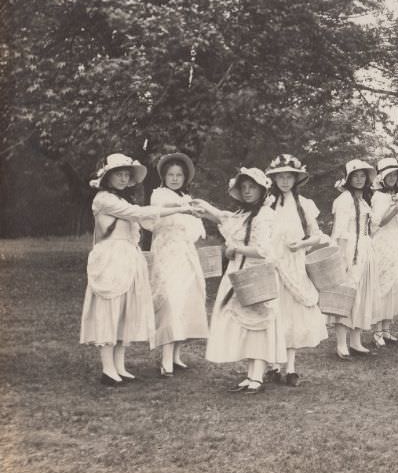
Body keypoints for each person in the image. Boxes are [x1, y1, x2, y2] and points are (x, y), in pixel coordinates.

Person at [80, 153, 193, 386]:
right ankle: (108, 368)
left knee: (125, 310)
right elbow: (138, 214)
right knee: (110, 309)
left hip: (128, 256)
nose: (123, 179)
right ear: (107, 177)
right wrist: (180, 208)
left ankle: (119, 365)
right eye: (118, 174)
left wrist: (181, 205)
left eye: (126, 175)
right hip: (110, 257)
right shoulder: (104, 199)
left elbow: (141, 216)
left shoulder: (121, 199)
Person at [193, 167, 286, 394]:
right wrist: (204, 208)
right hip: (239, 273)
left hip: (257, 275)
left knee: (258, 325)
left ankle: (258, 375)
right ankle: (251, 374)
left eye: (252, 187)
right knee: (244, 324)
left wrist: (236, 249)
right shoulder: (243, 214)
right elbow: (225, 221)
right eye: (243, 187)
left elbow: (264, 250)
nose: (247, 191)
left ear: (262, 190)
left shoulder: (265, 215)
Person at [263, 154, 328, 387]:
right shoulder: (267, 203)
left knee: (292, 316)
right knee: (273, 313)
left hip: (294, 265)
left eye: (289, 177)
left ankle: (290, 368)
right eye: (280, 177)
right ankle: (272, 365)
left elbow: (317, 235)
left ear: (295, 179)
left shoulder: (304, 205)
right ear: (273, 179)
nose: (284, 181)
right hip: (272, 265)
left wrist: (301, 244)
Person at [149, 152, 209, 377]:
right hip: (167, 252)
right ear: (164, 177)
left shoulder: (187, 198)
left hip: (185, 254)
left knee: (186, 300)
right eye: (171, 175)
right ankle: (165, 359)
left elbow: (195, 229)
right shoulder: (159, 195)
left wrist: (192, 210)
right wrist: (183, 206)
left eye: (179, 175)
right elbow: (160, 210)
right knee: (170, 301)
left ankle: (176, 355)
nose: (175, 179)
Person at [329, 160, 378, 360]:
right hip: (349, 250)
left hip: (364, 248)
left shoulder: (363, 200)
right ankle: (341, 344)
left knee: (361, 294)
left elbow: (370, 227)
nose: (359, 179)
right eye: (355, 176)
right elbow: (339, 231)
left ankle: (356, 341)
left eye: (362, 176)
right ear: (348, 178)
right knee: (346, 295)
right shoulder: (344, 200)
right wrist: (341, 259)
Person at [370, 158, 398, 346]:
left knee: (394, 283)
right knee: (382, 283)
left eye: (395, 175)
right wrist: (395, 208)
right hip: (382, 242)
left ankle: (387, 329)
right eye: (388, 175)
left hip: (396, 240)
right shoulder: (378, 197)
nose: (392, 178)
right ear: (382, 177)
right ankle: (377, 331)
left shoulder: (397, 196)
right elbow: (379, 222)